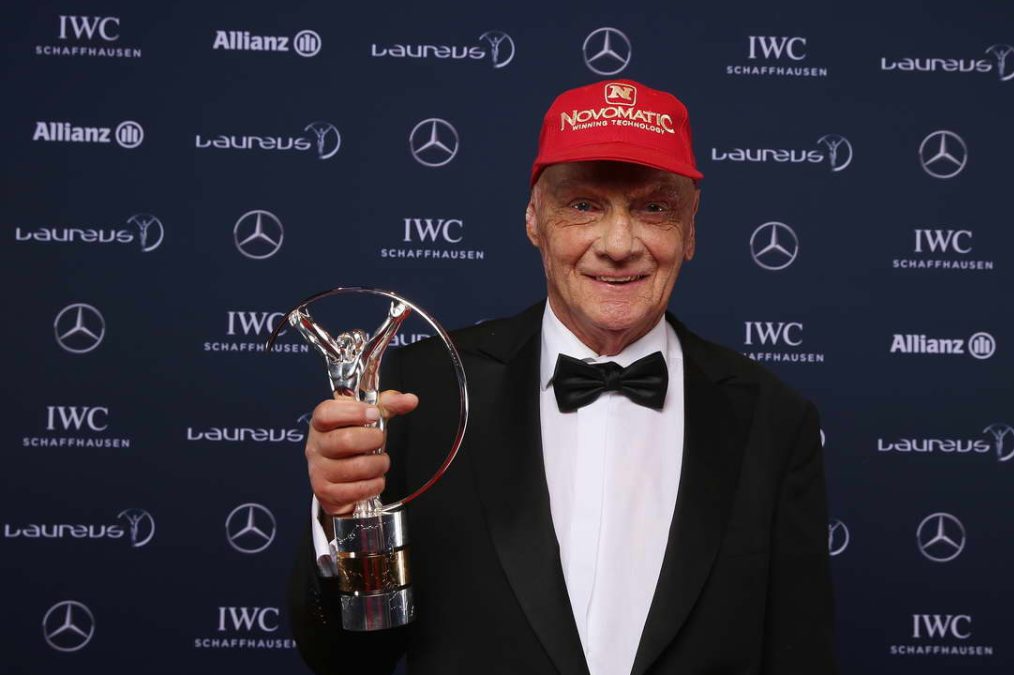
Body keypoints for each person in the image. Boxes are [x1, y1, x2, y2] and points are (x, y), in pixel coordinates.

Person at [289, 79, 836, 675]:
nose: (618, 244)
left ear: (691, 228)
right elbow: (345, 660)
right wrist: (339, 517)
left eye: (654, 208)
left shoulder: (773, 420)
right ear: (534, 218)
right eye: (583, 206)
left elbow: (800, 656)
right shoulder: (422, 392)